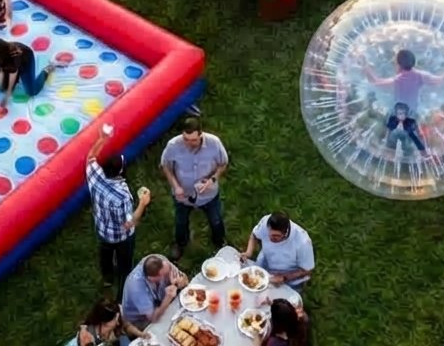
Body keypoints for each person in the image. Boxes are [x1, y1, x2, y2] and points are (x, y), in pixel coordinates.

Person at [86, 126, 152, 298]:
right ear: (121, 171)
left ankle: (107, 278)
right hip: (121, 237)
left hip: (102, 229)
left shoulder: (94, 175)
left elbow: (90, 157)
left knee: (105, 254)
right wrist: (143, 204)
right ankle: (122, 294)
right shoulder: (121, 196)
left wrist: (102, 139)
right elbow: (128, 222)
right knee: (125, 265)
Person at [159, 116, 229, 261]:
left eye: (193, 140)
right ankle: (180, 243)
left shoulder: (214, 143)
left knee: (216, 220)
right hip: (183, 195)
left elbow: (223, 164)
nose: (189, 144)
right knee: (180, 221)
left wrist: (212, 180)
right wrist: (176, 186)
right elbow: (165, 166)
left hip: (208, 194)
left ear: (201, 134)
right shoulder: (173, 145)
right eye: (186, 139)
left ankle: (220, 242)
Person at [363, 49, 444, 158]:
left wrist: (365, 66)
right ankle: (424, 153)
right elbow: (438, 81)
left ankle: (381, 149)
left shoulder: (399, 79)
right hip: (411, 112)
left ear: (398, 64)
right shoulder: (420, 75)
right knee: (412, 133)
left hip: (398, 112)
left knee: (389, 128)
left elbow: (375, 82)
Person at [0, 37, 66, 101]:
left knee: (32, 91)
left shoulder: (16, 56)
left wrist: (7, 96)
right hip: (7, 64)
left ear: (1, 54)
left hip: (25, 61)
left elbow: (13, 75)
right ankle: (3, 77)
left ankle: (47, 69)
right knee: (1, 87)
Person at [240, 211, 315, 288]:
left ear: (285, 233)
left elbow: (307, 270)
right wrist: (248, 252)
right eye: (270, 233)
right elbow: (254, 235)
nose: (271, 238)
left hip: (290, 277)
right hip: (266, 260)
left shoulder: (303, 241)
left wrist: (283, 277)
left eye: (276, 236)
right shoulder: (265, 222)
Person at [121, 254, 188, 329]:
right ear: (151, 279)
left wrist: (178, 283)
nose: (167, 275)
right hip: (140, 319)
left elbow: (185, 279)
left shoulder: (162, 261)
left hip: (157, 301)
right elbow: (154, 318)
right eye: (164, 275)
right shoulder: (136, 289)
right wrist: (167, 298)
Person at [69, 298, 146, 346]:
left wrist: (140, 334)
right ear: (105, 322)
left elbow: (126, 325)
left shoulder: (114, 312)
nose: (118, 322)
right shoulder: (88, 339)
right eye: (116, 319)